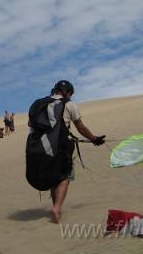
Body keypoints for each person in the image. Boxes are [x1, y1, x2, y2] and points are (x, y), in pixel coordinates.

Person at [40, 80, 106, 224]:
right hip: (61, 146)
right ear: (67, 92)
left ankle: (55, 207)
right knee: (65, 177)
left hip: (43, 147)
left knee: (53, 177)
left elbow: (30, 124)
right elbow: (80, 127)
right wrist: (94, 139)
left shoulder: (42, 104)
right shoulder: (69, 104)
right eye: (71, 94)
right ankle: (57, 208)